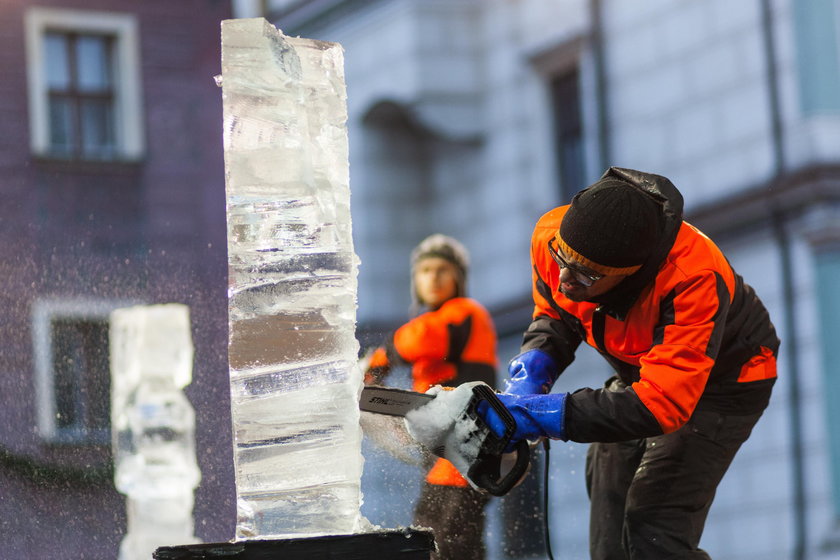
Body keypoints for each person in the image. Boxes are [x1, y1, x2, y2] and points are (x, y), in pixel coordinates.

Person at [478, 167, 780, 559]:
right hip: (643, 373)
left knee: (652, 531)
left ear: (630, 276)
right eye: (561, 259)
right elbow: (557, 311)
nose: (565, 277)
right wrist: (533, 368)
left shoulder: (692, 278)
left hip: (723, 384)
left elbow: (662, 405)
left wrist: (545, 414)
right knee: (609, 529)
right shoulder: (553, 236)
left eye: (585, 275)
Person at [363, 233, 498, 560]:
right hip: (447, 453)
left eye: (442, 269)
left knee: (442, 539)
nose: (433, 277)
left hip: (465, 450)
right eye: (425, 271)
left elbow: (424, 338)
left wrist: (380, 359)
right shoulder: (438, 320)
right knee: (445, 538)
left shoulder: (466, 313)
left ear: (458, 278)